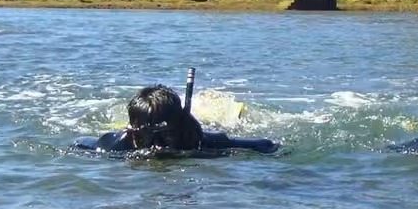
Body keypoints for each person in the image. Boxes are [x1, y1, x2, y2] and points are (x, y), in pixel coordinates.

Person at [80, 84, 278, 156]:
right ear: (132, 130)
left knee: (221, 124)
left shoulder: (199, 140)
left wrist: (199, 151)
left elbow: (266, 145)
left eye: (165, 134)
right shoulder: (114, 144)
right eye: (149, 135)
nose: (157, 145)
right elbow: (79, 142)